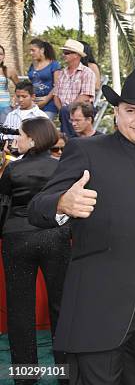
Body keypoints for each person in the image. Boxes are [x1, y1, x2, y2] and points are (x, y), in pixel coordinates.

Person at [28, 68, 135, 384]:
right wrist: (61, 204)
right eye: (130, 111)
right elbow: (36, 207)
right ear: (117, 113)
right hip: (98, 312)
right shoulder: (87, 150)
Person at [0, 117, 71, 381]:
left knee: (19, 308)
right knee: (61, 305)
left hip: (17, 239)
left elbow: (3, 203)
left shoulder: (12, 170)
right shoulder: (61, 167)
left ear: (32, 138)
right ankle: (65, 372)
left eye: (19, 135)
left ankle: (25, 375)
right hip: (55, 236)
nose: (16, 139)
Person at [54, 39, 95, 138]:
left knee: (66, 112)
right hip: (64, 111)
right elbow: (56, 96)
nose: (64, 55)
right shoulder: (61, 74)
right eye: (64, 52)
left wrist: (69, 110)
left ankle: (70, 141)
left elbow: (85, 96)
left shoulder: (87, 72)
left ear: (76, 55)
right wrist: (62, 110)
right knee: (64, 112)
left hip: (83, 108)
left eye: (67, 53)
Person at [28, 38, 62, 120]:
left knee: (43, 125)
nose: (30, 53)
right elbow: (31, 84)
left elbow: (57, 85)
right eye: (30, 51)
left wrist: (45, 100)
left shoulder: (54, 64)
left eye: (33, 50)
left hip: (49, 103)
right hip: (34, 102)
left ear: (42, 50)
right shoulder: (32, 66)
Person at [0, 45, 20, 122]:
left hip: (5, 107)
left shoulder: (8, 70)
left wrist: (14, 100)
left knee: (3, 132)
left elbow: (20, 87)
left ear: (4, 56)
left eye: (0, 54)